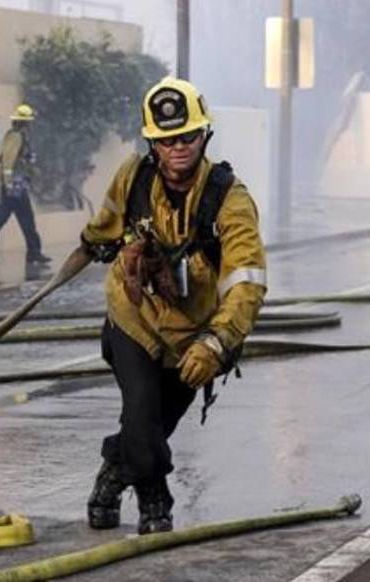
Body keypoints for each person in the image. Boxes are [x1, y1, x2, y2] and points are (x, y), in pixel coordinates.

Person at [74, 77, 267, 535]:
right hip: (134, 319)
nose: (178, 147)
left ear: (204, 136)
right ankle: (155, 503)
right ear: (152, 143)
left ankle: (111, 476)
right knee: (142, 409)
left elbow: (246, 281)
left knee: (155, 425)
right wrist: (92, 244)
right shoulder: (133, 176)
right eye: (166, 140)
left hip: (193, 338)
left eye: (187, 136)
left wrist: (217, 343)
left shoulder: (230, 199)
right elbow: (106, 223)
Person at [0, 103, 52, 268]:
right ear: (24, 122)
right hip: (14, 187)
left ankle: (33, 251)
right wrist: (8, 183)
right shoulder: (15, 136)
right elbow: (8, 161)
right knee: (21, 218)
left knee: (4, 218)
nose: (30, 124)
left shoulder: (21, 136)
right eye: (28, 121)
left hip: (17, 186)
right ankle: (34, 252)